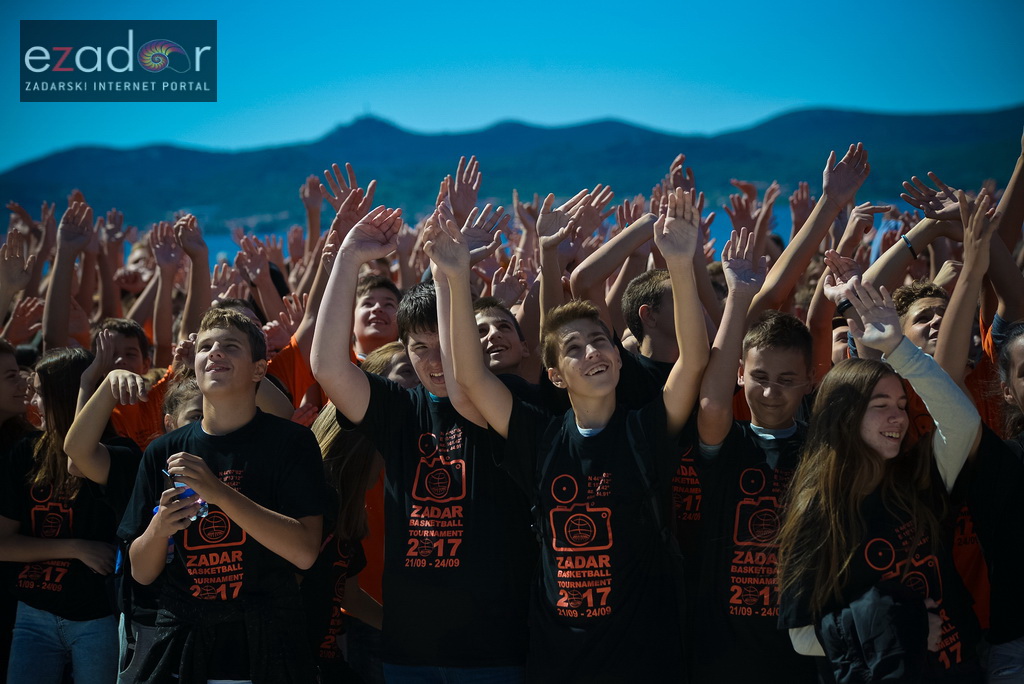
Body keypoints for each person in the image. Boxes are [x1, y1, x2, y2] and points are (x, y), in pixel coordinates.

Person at [433, 188, 708, 681]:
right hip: (559, 660)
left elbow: (692, 362)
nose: (592, 352)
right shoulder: (539, 436)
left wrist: (683, 265)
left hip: (645, 658)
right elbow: (473, 379)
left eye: (600, 340)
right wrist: (453, 278)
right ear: (556, 375)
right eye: (574, 348)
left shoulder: (646, 430)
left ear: (619, 357)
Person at [311, 205, 536, 682]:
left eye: (446, 344)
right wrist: (348, 257)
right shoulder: (400, 409)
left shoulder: (506, 402)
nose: (434, 362)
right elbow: (329, 368)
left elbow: (464, 386)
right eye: (420, 349)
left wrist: (452, 275)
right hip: (409, 651)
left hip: (493, 650)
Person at [777, 279, 984, 682]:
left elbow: (963, 423)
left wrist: (899, 349)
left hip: (959, 669)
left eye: (902, 405)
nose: (899, 417)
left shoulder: (917, 474)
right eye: (881, 405)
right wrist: (900, 630)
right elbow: (802, 636)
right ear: (845, 416)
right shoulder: (815, 511)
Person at [117, 308, 326, 683]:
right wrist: (159, 529)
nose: (215, 353)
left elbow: (305, 552)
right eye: (206, 347)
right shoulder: (162, 451)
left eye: (230, 347)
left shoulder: (291, 443)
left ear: (259, 369)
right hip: (185, 644)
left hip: (268, 644)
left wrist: (219, 493)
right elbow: (141, 572)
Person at [690, 227, 817, 683]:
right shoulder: (730, 442)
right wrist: (739, 298)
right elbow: (712, 404)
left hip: (802, 653)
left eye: (787, 379)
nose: (770, 391)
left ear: (809, 380)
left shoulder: (821, 449)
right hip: (723, 652)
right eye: (759, 376)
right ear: (740, 375)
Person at [0, 347, 142, 684]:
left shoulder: (121, 454)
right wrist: (76, 547)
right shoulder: (25, 451)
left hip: (97, 617)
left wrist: (90, 382)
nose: (32, 403)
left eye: (39, 393)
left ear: (61, 397)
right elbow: (2, 544)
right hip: (33, 612)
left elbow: (77, 461)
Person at [303, 407, 384, 683]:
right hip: (299, 665)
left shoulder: (345, 513)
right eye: (381, 448)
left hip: (328, 662)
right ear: (359, 453)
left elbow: (351, 597)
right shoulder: (313, 507)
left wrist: (410, 634)